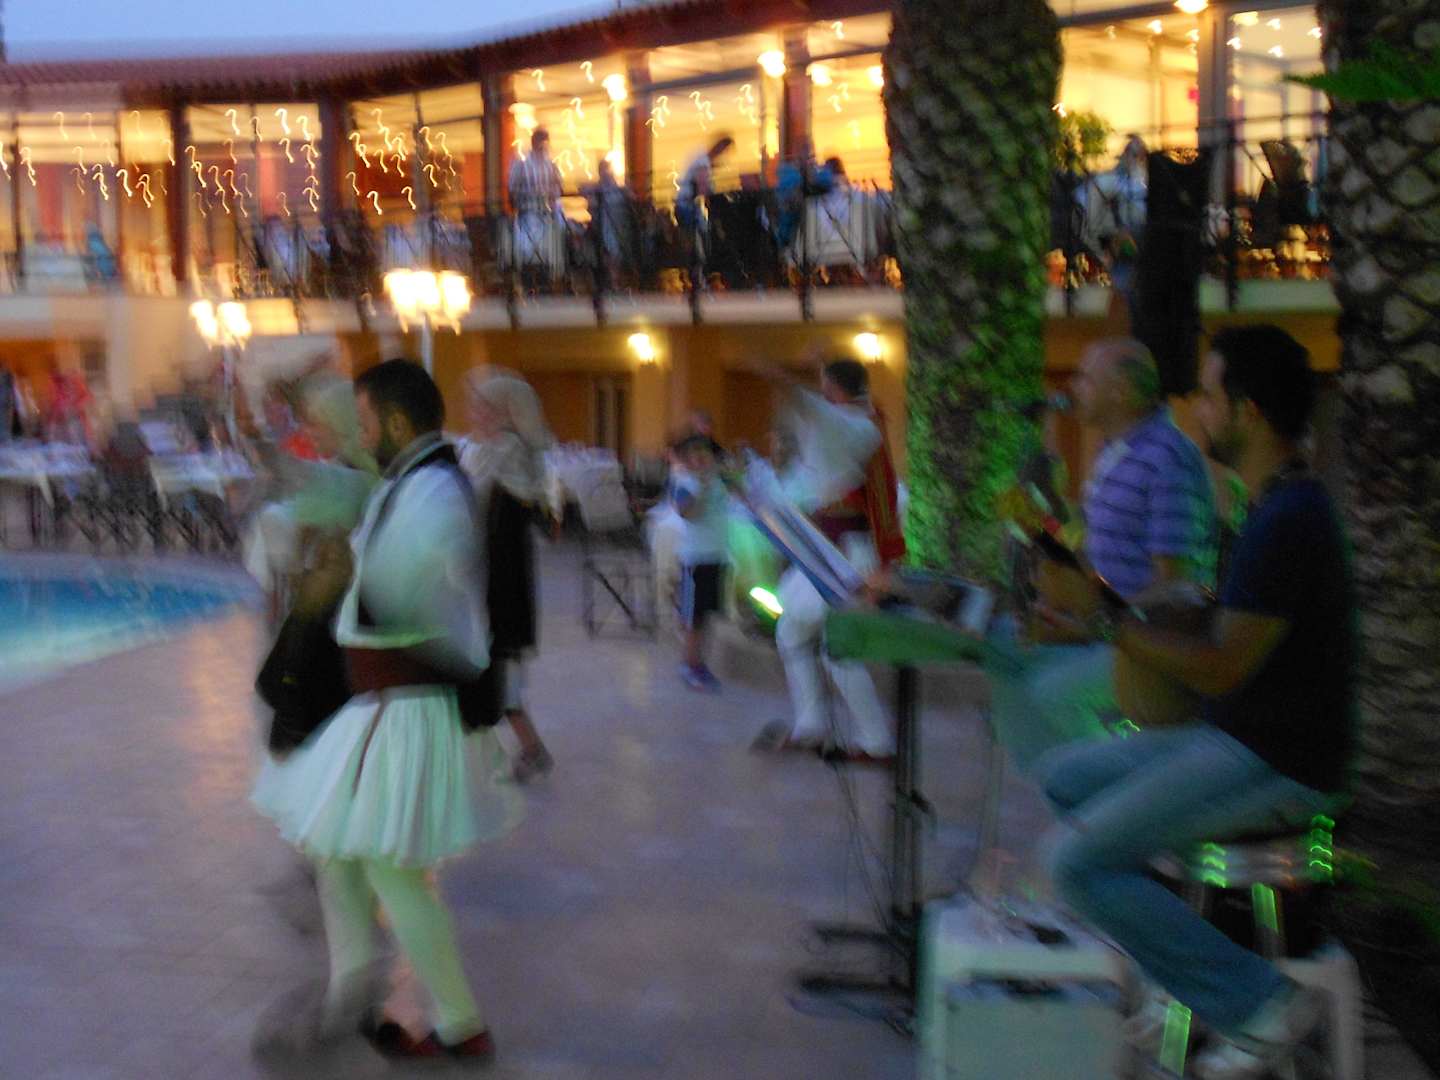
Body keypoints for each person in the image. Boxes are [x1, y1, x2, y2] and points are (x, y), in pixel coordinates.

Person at [1034, 324, 1354, 1079]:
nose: (1197, 409)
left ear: (1246, 411)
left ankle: (1260, 1003)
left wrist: (1107, 622)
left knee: (1073, 864)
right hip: (1233, 738)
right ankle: (1181, 968)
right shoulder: (1266, 506)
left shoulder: (1290, 519)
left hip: (1280, 762)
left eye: (1209, 396)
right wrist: (1115, 613)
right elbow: (1225, 627)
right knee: (1064, 777)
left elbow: (1219, 668)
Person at [251, 359, 520, 1063]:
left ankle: (459, 1023)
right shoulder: (408, 481)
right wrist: (272, 433)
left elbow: (411, 593)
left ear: (396, 422)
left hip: (405, 704)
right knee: (336, 850)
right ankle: (358, 995)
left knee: (389, 870)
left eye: (365, 422)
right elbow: (326, 492)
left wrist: (342, 580)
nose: (359, 435)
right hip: (385, 702)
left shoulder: (434, 490)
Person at [985, 338, 1216, 771]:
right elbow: (1096, 555)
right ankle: (1056, 784)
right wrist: (1044, 532)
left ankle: (1108, 782)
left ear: (1121, 392)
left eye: (1086, 379)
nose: (1074, 389)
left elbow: (1175, 587)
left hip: (1146, 645)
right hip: (1102, 626)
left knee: (1049, 693)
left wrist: (1091, 626)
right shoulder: (1114, 451)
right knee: (997, 650)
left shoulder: (1167, 458)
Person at [752, 358, 903, 764]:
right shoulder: (861, 424)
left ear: (833, 389)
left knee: (833, 645)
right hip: (831, 551)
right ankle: (813, 726)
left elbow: (801, 400)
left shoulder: (850, 425)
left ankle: (874, 742)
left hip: (844, 554)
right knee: (794, 633)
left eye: (824, 385)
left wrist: (773, 370)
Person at [458, 365, 556, 782]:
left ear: (505, 412)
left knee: (498, 674)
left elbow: (470, 497)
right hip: (495, 576)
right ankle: (526, 750)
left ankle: (531, 751)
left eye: (484, 407)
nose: (474, 413)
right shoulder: (494, 450)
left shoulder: (507, 452)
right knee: (491, 673)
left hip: (501, 581)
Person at [670, 432, 730, 691]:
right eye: (693, 453)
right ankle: (689, 665)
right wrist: (703, 486)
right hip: (695, 560)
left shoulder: (719, 480)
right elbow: (688, 513)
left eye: (704, 451)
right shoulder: (683, 482)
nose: (700, 457)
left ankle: (699, 663)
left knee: (705, 617)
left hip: (717, 556)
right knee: (693, 618)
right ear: (686, 459)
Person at [508, 127, 565, 278]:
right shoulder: (523, 164)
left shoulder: (550, 165)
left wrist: (552, 199)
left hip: (545, 213)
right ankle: (533, 274)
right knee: (532, 247)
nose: (544, 146)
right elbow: (513, 188)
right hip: (530, 213)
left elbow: (558, 187)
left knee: (545, 246)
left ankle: (544, 274)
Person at [675, 134, 735, 236]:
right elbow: (703, 188)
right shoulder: (703, 162)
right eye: (724, 152)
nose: (722, 156)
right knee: (694, 236)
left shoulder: (700, 154)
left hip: (685, 204)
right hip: (687, 206)